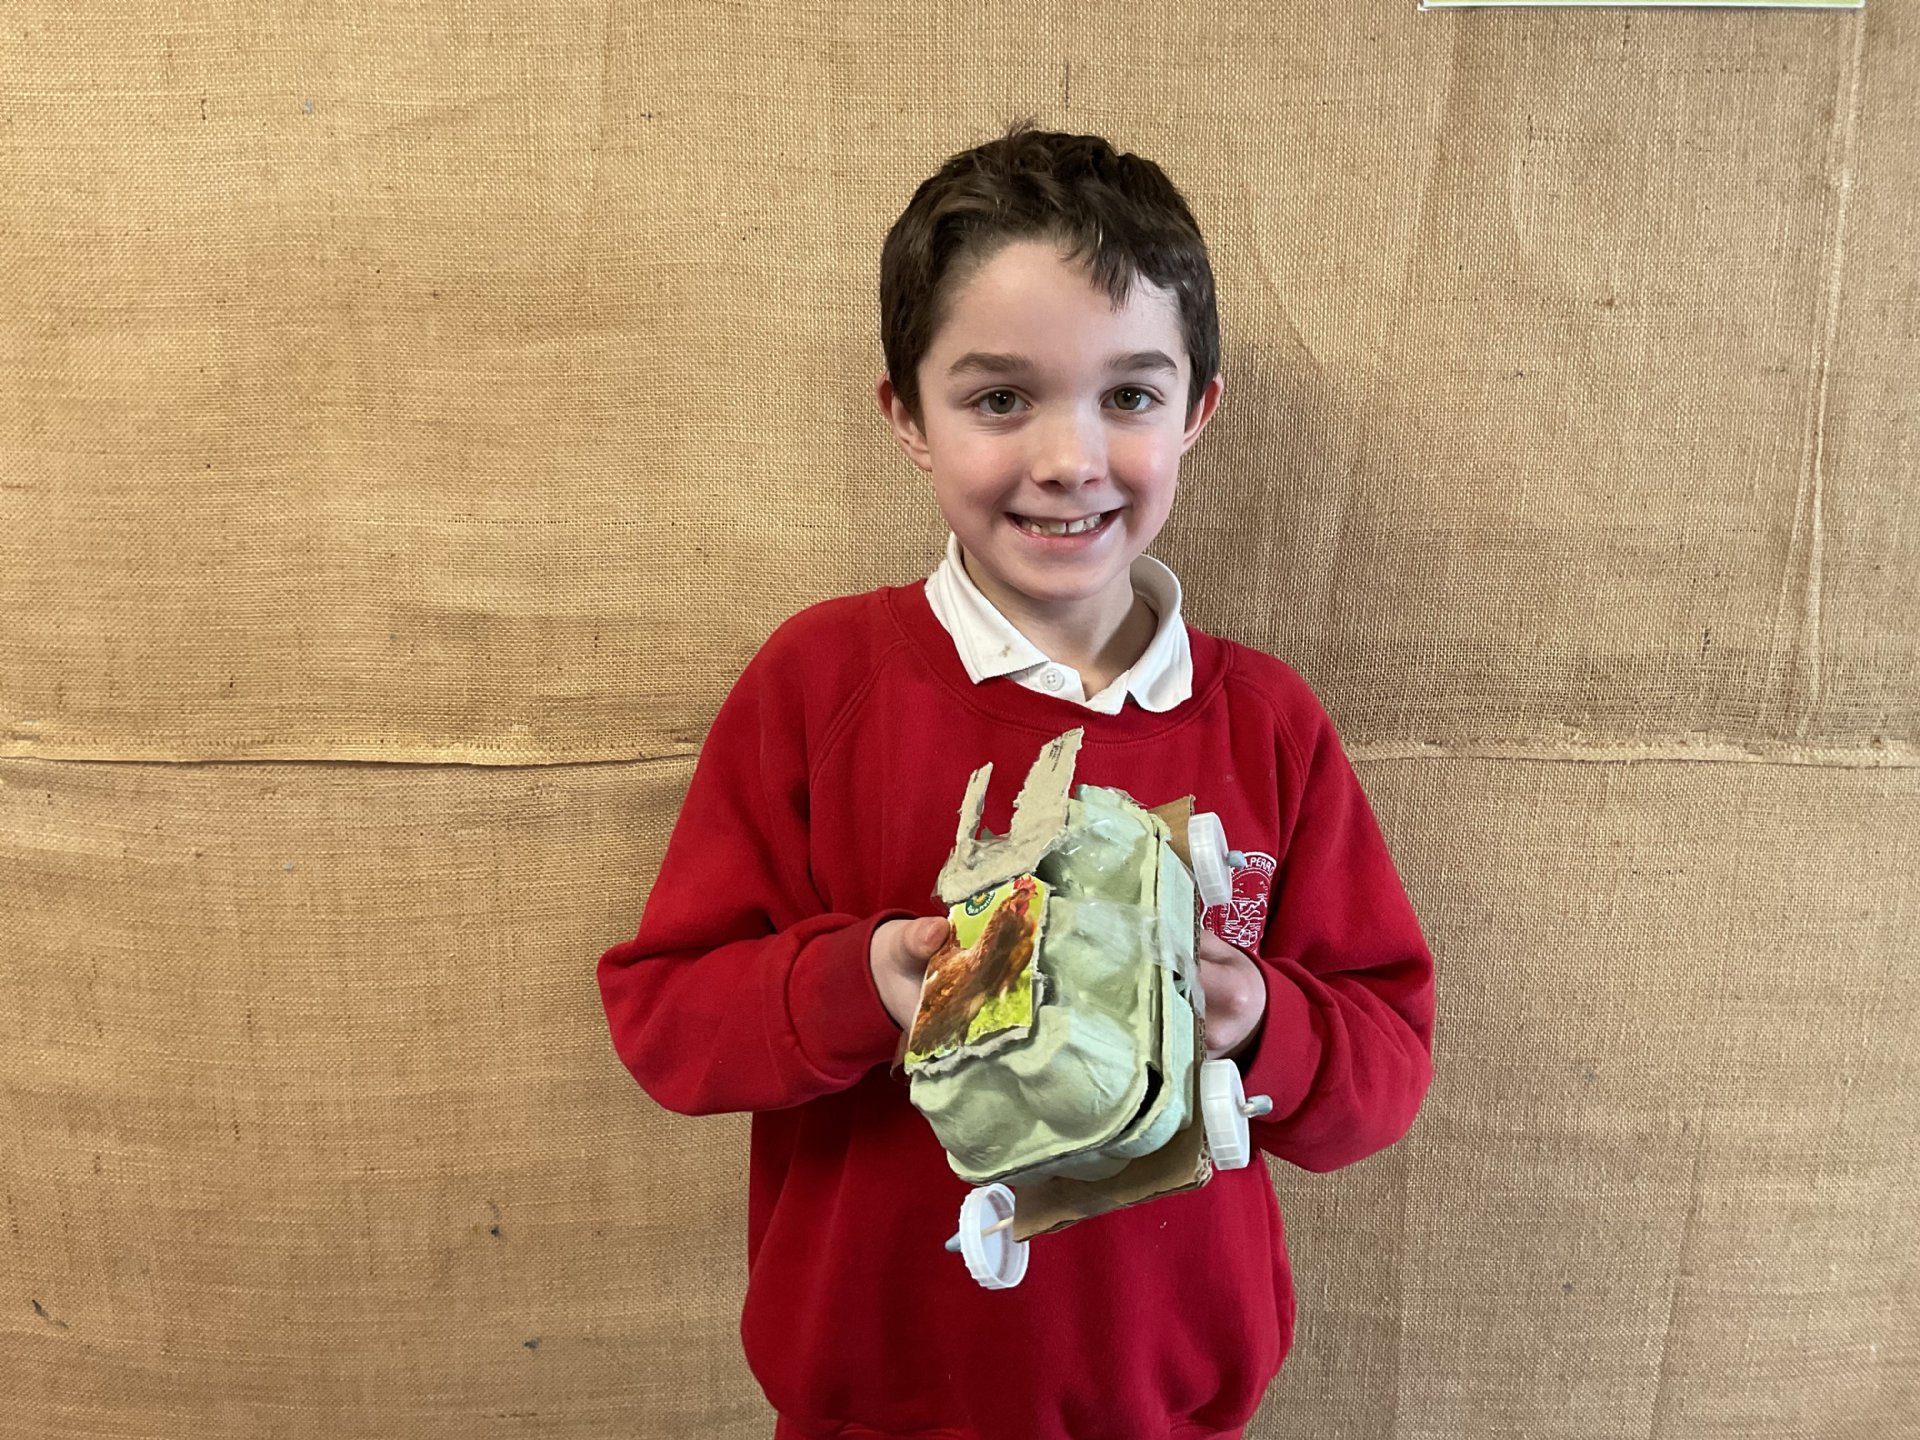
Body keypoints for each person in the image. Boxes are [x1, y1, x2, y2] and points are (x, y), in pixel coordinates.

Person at [598, 123, 1435, 1440]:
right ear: (907, 416)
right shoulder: (821, 685)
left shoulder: (1267, 725)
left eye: (1129, 396)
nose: (1069, 459)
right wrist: (867, 981)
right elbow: (666, 1020)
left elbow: (1383, 1065)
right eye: (1000, 400)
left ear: (1197, 410)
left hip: (1171, 1409)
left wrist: (1255, 1014)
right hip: (872, 1408)